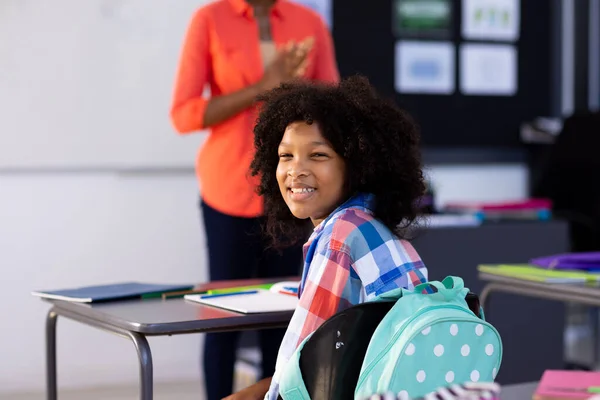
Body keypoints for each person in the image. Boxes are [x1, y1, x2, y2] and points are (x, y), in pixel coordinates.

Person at [169, 1, 339, 399]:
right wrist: (261, 89)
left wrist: (298, 91)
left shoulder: (309, 22)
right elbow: (184, 114)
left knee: (283, 323)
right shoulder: (210, 20)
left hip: (295, 194)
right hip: (227, 192)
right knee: (220, 320)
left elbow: (336, 111)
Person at [228, 75, 430, 400]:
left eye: (318, 155)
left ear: (358, 165)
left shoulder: (340, 236)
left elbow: (303, 360)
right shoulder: (371, 225)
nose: (296, 170)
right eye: (286, 156)